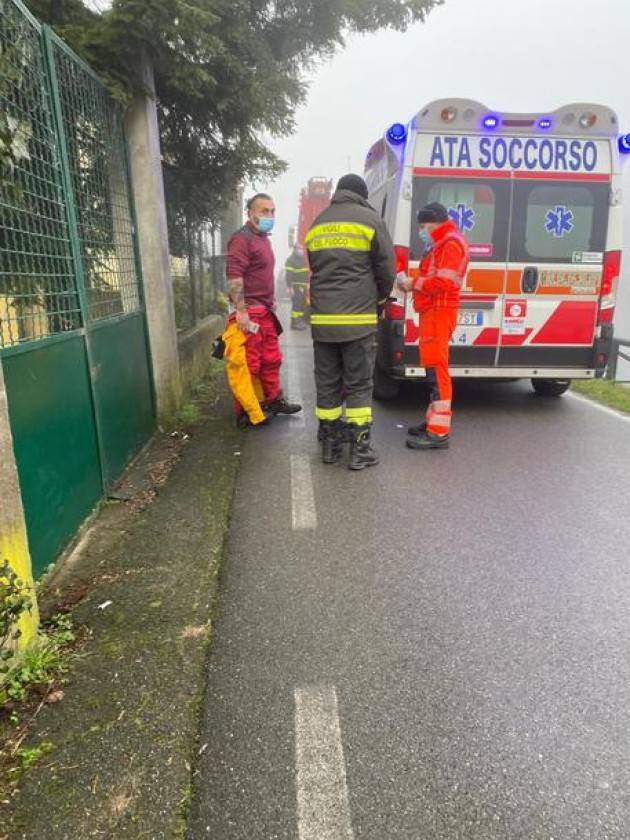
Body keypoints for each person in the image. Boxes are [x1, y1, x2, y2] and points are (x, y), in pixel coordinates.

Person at [305, 174, 395, 470]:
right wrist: (380, 299)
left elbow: (316, 268)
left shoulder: (318, 223)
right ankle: (360, 450)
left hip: (323, 321)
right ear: (361, 194)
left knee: (327, 383)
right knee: (358, 384)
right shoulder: (370, 219)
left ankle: (330, 446)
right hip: (358, 320)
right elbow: (387, 270)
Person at [397, 201, 470, 450]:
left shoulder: (450, 244)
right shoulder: (442, 243)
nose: (422, 230)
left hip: (439, 311)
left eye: (423, 225)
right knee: (431, 367)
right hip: (433, 311)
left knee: (437, 370)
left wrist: (412, 283)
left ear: (434, 222)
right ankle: (432, 422)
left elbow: (443, 282)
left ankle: (438, 432)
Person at [225, 193, 302, 427]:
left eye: (272, 211)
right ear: (250, 213)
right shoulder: (242, 239)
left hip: (265, 310)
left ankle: (272, 400)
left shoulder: (263, 239)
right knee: (248, 363)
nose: (270, 216)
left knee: (271, 360)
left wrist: (270, 300)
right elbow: (235, 275)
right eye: (264, 211)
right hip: (250, 311)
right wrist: (240, 310)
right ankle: (246, 412)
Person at [285, 243, 310, 330]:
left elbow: (306, 273)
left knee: (302, 304)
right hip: (296, 285)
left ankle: (300, 321)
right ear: (295, 250)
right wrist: (289, 287)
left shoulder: (302, 260)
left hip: (303, 286)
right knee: (297, 304)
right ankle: (294, 323)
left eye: (302, 249)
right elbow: (289, 275)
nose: (301, 251)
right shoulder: (291, 260)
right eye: (299, 249)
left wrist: (307, 283)